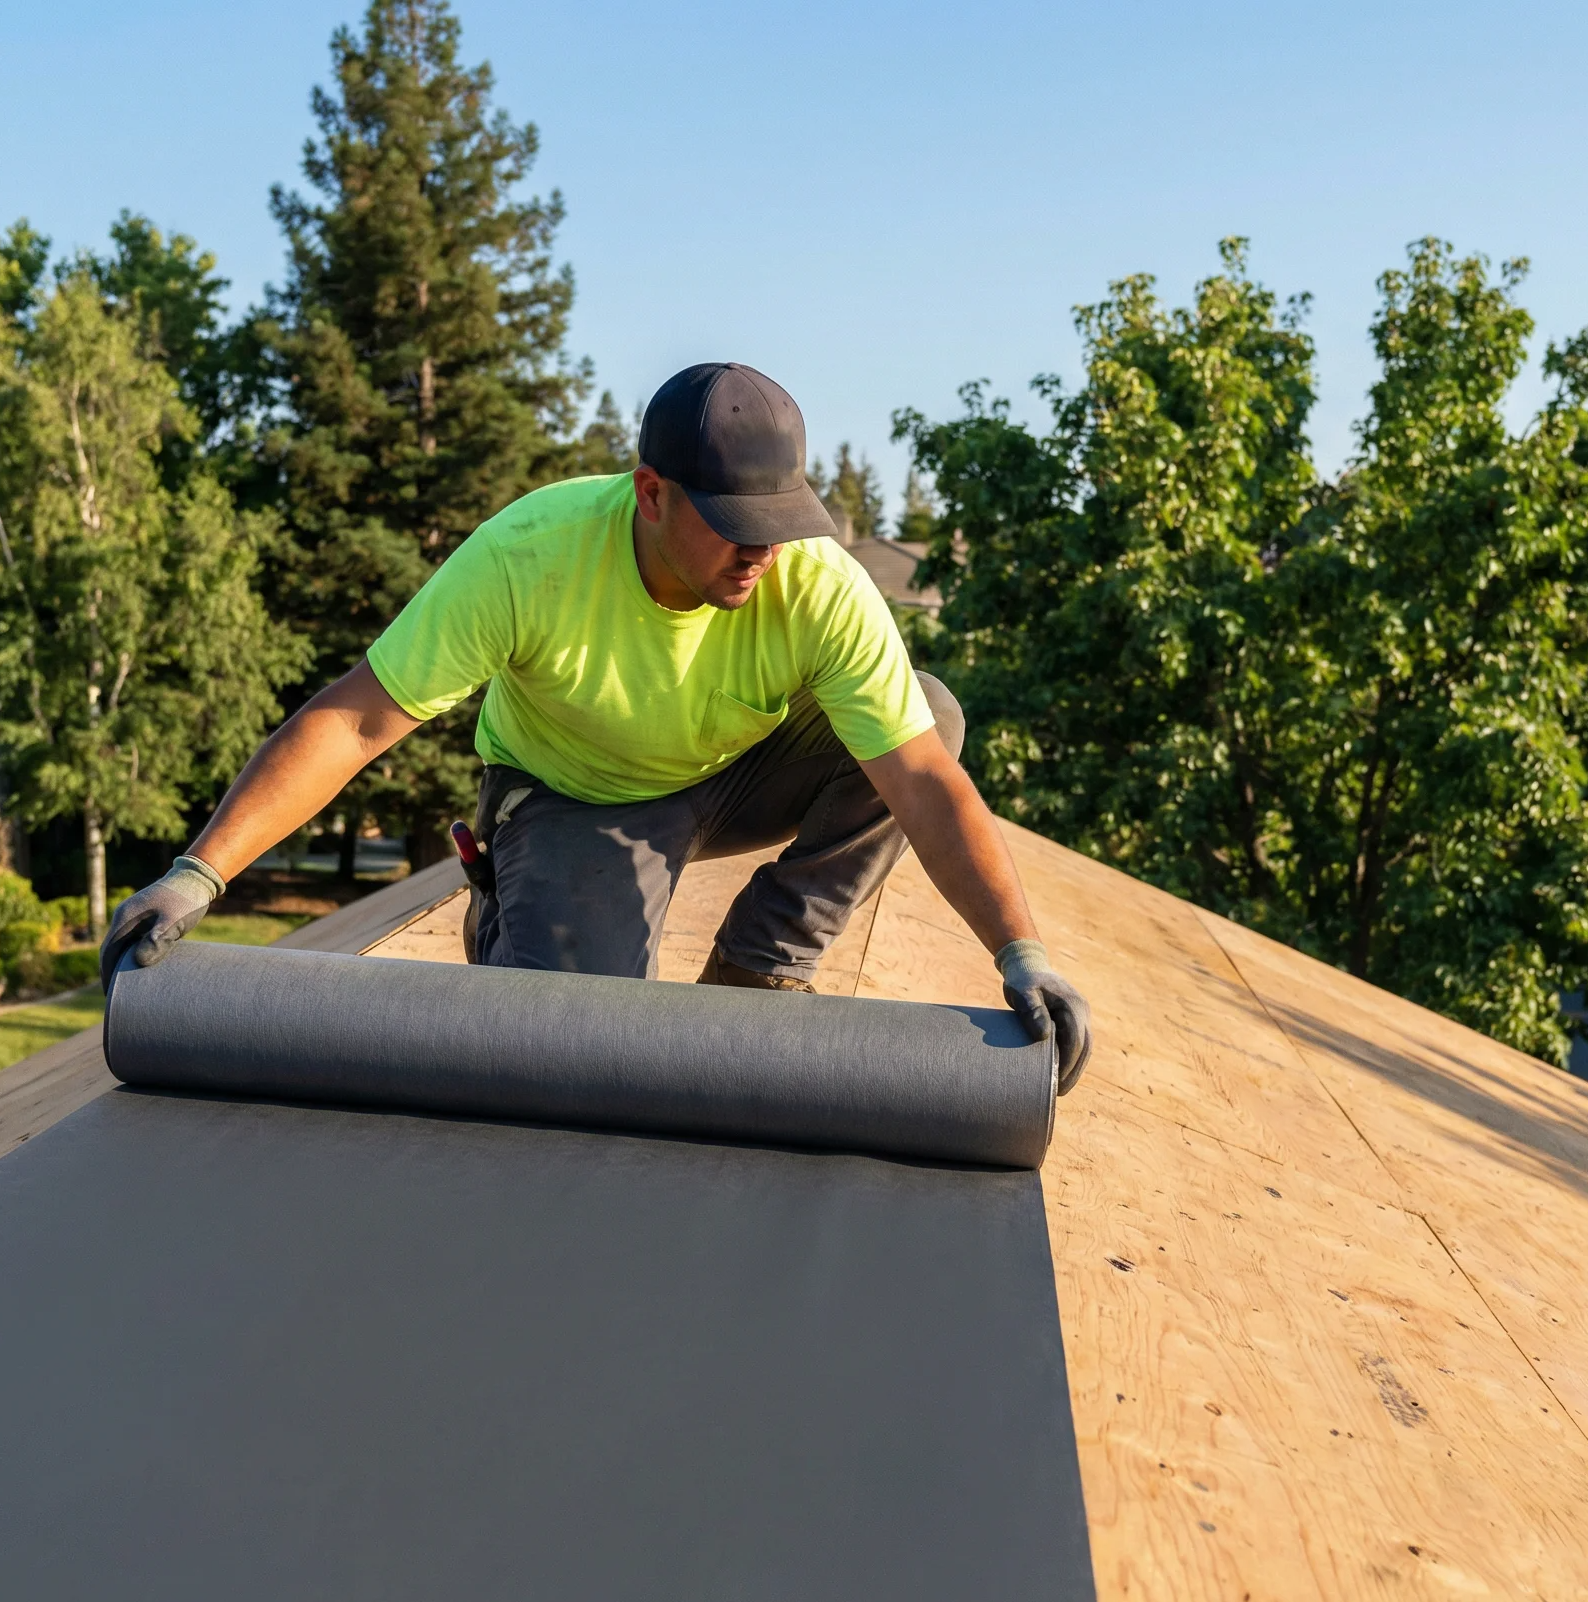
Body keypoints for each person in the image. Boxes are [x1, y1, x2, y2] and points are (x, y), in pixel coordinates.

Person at [102, 362, 1090, 1092]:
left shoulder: (809, 575)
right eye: (733, 523)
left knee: (933, 715)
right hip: (579, 794)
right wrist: (198, 873)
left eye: (779, 522)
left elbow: (919, 776)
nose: (761, 552)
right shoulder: (529, 557)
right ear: (649, 493)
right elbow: (357, 722)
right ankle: (512, 897)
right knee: (575, 1053)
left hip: (736, 774)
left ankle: (758, 967)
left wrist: (1021, 954)